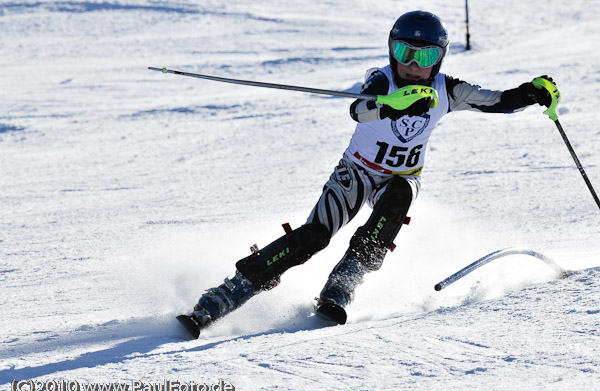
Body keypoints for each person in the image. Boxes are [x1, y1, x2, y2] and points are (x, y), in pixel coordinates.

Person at [177, 10, 555, 338]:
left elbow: (498, 102)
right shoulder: (381, 80)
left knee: (399, 197)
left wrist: (531, 92)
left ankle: (343, 283)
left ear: (439, 59)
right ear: (392, 50)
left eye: (425, 56)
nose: (413, 65)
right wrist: (390, 107)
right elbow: (359, 109)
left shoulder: (447, 89)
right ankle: (225, 295)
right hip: (355, 173)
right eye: (405, 52)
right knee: (313, 237)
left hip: (400, 176)